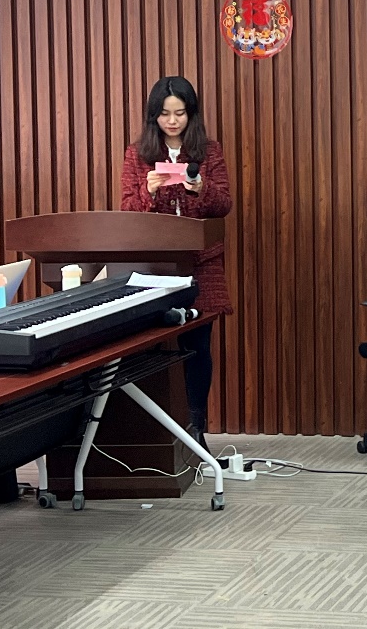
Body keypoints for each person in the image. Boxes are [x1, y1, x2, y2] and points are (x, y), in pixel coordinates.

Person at [120, 76, 232, 451]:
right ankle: (161, 436)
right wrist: (148, 189)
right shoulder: (137, 154)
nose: (172, 121)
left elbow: (224, 205)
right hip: (154, 267)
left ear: (191, 114)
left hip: (201, 263)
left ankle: (197, 427)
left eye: (180, 113)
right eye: (165, 114)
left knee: (199, 345)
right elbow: (127, 210)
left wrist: (202, 189)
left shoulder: (208, 151)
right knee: (152, 345)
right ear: (153, 115)